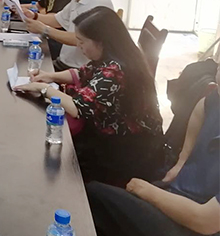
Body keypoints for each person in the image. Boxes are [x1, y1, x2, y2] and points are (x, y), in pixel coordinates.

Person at [16, 6, 164, 186]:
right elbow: (82, 73)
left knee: (56, 164)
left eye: (82, 41)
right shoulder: (113, 56)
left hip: (126, 149)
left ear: (101, 42)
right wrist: (49, 76)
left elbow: (78, 107)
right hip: (112, 137)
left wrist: (43, 88)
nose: (79, 46)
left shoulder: (116, 70)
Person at [86, 64, 220, 236]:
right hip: (176, 195)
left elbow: (205, 221)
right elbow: (203, 107)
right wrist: (182, 160)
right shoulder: (215, 98)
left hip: (194, 225)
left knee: (94, 196)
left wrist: (145, 190)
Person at [25, 0, 114, 71]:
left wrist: (44, 30)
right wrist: (34, 16)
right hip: (63, 62)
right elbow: (58, 20)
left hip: (80, 70)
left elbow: (79, 39)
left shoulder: (100, 4)